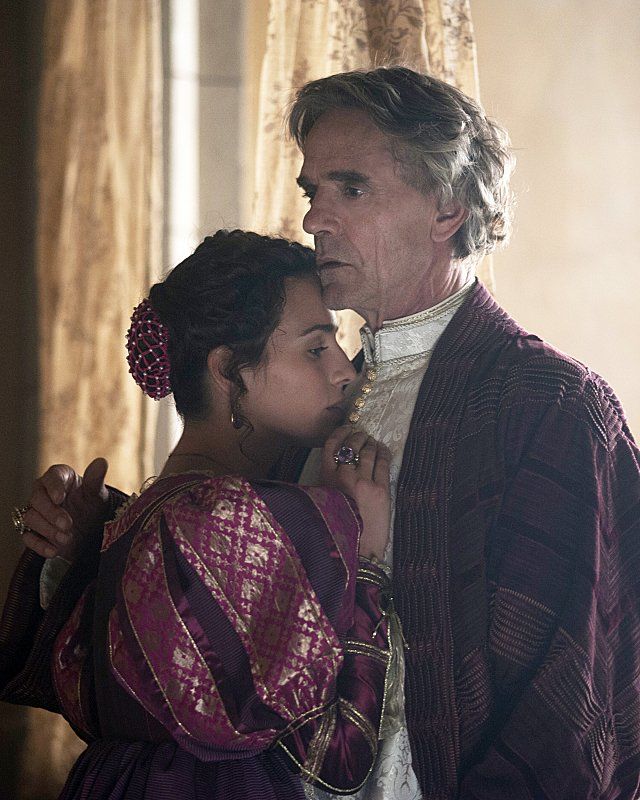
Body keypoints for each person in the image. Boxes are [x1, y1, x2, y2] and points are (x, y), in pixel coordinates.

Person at [13, 67, 640, 799]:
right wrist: (92, 543)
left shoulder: (551, 406)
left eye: (351, 188)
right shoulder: (311, 399)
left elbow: (568, 710)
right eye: (313, 192)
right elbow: (208, 659)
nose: (314, 219)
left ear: (446, 206)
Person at [1, 229, 397, 799]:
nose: (345, 371)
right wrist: (367, 555)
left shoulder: (146, 519)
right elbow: (336, 757)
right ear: (229, 370)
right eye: (316, 348)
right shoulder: (229, 522)